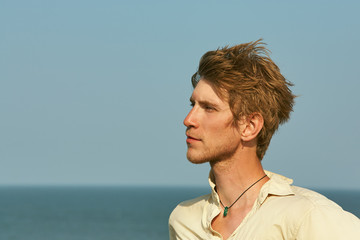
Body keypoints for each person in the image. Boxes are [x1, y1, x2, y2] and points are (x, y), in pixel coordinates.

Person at [168, 40, 360, 240]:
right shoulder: (184, 220)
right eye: (193, 104)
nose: (188, 119)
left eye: (209, 108)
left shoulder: (307, 216)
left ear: (250, 126)